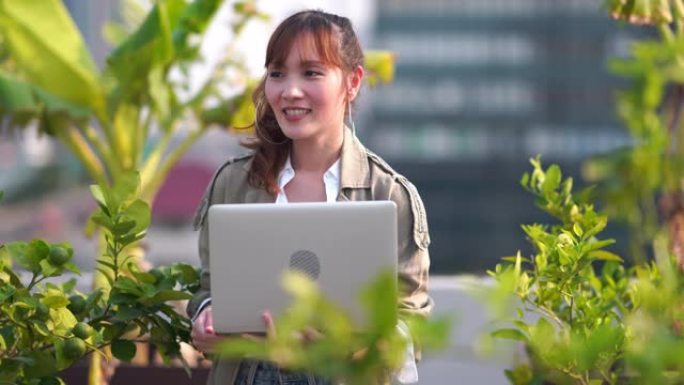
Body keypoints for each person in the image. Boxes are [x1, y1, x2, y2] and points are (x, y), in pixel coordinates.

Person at [188, 9, 433, 385]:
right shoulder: (233, 183)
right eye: (277, 73)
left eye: (311, 73)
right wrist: (205, 317)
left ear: (352, 83)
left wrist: (351, 347)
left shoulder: (390, 193)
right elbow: (209, 289)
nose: (290, 91)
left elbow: (411, 321)